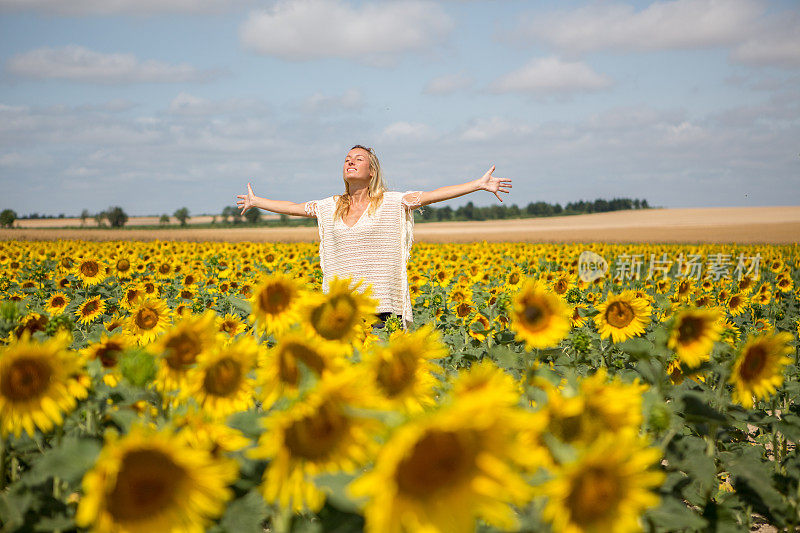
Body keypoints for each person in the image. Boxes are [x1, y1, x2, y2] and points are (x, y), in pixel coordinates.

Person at [236, 145, 511, 330]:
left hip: (383, 308)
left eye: (358, 159)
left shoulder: (391, 202)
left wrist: (477, 184)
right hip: (342, 311)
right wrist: (257, 201)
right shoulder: (330, 206)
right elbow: (295, 208)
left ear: (371, 171)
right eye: (347, 159)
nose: (350, 162)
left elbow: (431, 195)